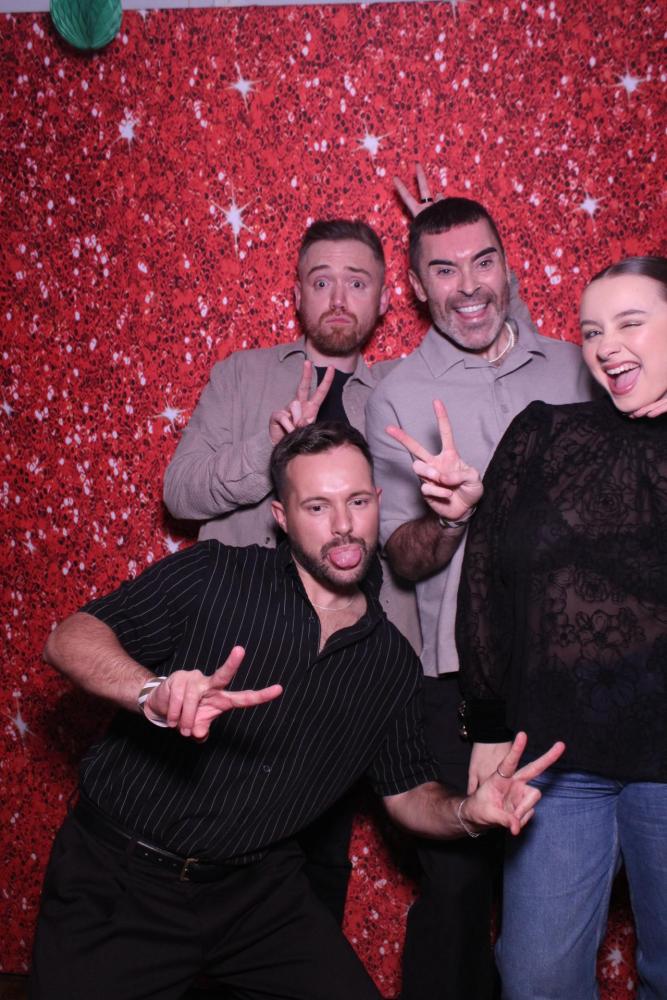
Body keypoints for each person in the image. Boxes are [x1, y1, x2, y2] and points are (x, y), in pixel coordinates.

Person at [31, 421, 565, 1000]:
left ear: (377, 503)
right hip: (121, 881)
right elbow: (69, 639)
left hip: (256, 894)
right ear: (281, 517)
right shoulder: (215, 575)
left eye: (357, 502)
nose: (343, 525)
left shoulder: (390, 662)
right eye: (316, 506)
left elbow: (409, 795)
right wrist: (150, 692)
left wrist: (469, 811)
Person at [365, 179, 595, 1000]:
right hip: (464, 683)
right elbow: (401, 556)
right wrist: (453, 518)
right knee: (458, 894)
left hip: (574, 673)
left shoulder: (575, 367)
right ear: (415, 287)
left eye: (482, 262)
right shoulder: (396, 393)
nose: (467, 286)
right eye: (443, 270)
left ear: (507, 266)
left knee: (560, 892)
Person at [163, 217, 416, 923]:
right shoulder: (242, 375)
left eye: (357, 282)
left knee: (315, 859)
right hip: (239, 655)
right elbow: (179, 494)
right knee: (203, 848)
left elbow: (497, 350)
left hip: (343, 667)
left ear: (384, 299)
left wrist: (440, 239)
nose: (337, 297)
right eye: (320, 280)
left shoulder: (401, 389)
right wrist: (266, 451)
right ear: (298, 293)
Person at [456, 255, 667, 1000]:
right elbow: (486, 573)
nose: (606, 344)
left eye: (629, 322)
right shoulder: (544, 432)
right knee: (535, 979)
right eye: (591, 330)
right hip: (554, 759)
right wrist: (486, 724)